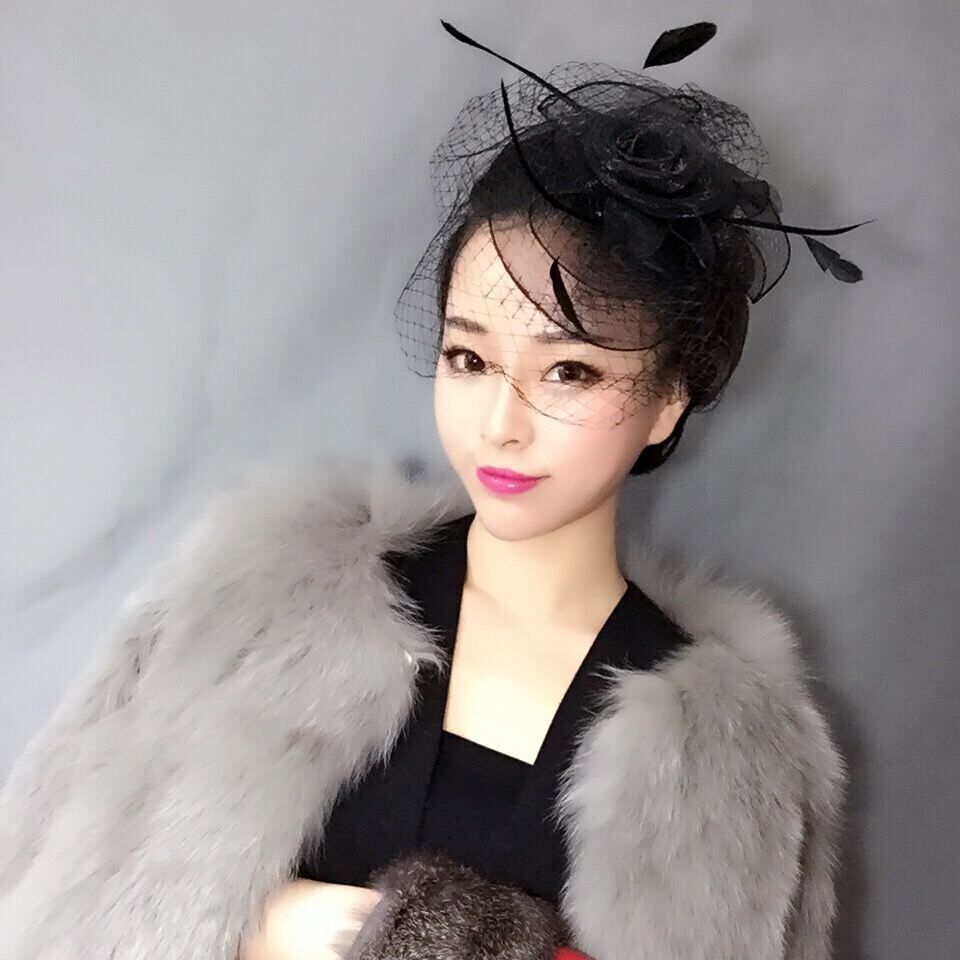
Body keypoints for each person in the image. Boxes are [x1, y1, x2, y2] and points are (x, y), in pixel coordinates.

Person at [0, 18, 868, 960]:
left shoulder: (736, 762)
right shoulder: (266, 598)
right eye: (469, 358)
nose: (500, 421)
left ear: (667, 401)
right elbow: (50, 906)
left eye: (569, 371)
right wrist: (264, 926)